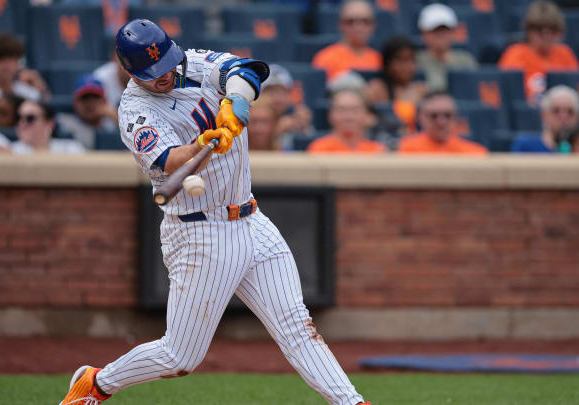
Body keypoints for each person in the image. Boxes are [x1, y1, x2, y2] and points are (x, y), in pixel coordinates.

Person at [58, 19, 370, 405]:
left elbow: (247, 70)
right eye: (154, 73)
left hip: (252, 220)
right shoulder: (135, 110)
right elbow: (169, 160)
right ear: (129, 71)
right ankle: (97, 383)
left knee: (298, 326)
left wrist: (234, 102)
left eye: (168, 64)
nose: (166, 75)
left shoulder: (193, 62)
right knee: (180, 356)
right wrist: (201, 145)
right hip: (199, 232)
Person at [498, 0, 579, 103]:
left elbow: (576, 92)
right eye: (540, 30)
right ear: (529, 30)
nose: (546, 36)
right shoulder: (516, 53)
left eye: (553, 30)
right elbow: (509, 95)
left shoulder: (565, 53)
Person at [365, 35, 428, 132]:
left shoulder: (422, 90)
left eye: (410, 60)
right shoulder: (375, 89)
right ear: (388, 63)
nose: (406, 66)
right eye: (400, 60)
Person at [312, 0, 382, 82]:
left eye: (365, 21)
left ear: (373, 25)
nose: (358, 27)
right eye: (350, 22)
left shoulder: (380, 60)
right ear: (340, 24)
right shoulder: (325, 59)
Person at [398, 91, 488, 155]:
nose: (441, 122)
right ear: (420, 118)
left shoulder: (475, 153)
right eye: (433, 116)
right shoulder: (404, 150)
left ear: (455, 117)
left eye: (447, 115)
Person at [511, 85, 579, 154]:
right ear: (543, 115)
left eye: (570, 111)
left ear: (578, 117)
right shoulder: (525, 145)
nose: (563, 116)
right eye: (556, 111)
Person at [415, 3, 478, 92]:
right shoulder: (415, 62)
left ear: (453, 33)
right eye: (435, 31)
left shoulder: (466, 60)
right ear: (423, 33)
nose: (440, 35)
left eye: (445, 30)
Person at [307, 89, 386, 153]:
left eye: (355, 110)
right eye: (341, 110)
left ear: (366, 115)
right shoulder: (319, 149)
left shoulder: (377, 151)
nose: (349, 116)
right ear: (331, 115)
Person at [56, 74, 119, 149]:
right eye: (85, 97)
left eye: (95, 97)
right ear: (75, 103)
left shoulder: (113, 124)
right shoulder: (64, 123)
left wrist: (118, 119)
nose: (90, 103)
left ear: (104, 101)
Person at [261, 64, 315, 149]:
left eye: (282, 92)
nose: (277, 98)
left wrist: (305, 128)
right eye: (271, 92)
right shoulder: (252, 115)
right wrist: (276, 132)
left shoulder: (296, 115)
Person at [12, 100, 85, 154]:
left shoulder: (71, 149)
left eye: (30, 118)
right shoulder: (11, 150)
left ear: (49, 123)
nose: (22, 123)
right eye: (18, 118)